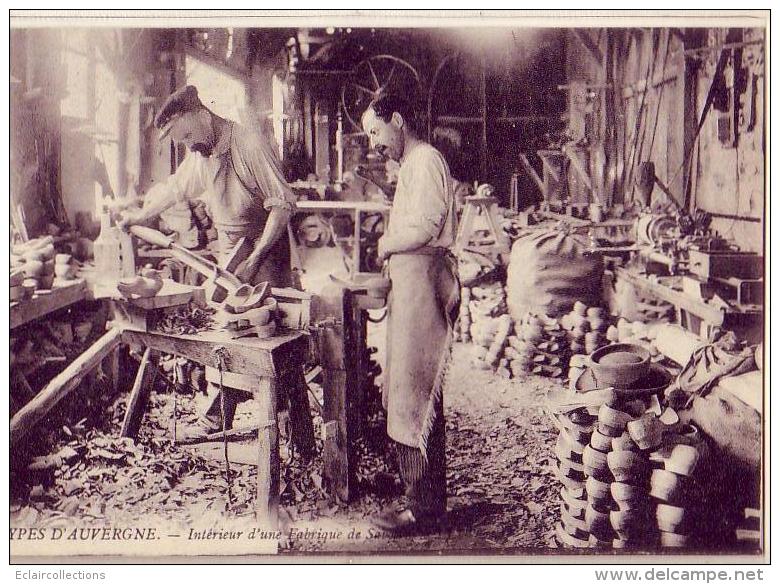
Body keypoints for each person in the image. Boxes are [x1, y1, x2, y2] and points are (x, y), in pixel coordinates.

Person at [119, 85, 314, 454]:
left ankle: (296, 433)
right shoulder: (200, 153)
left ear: (202, 115)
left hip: (265, 249)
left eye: (189, 135)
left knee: (273, 341)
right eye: (183, 141)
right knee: (231, 332)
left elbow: (284, 205)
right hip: (230, 254)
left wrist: (255, 258)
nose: (189, 145)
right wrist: (138, 216)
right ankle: (218, 416)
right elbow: (175, 189)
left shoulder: (247, 144)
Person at [361, 95, 460, 533]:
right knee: (405, 392)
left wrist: (385, 245)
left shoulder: (424, 160)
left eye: (375, 131)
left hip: (423, 281)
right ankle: (419, 494)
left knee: (415, 394)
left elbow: (424, 226)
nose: (374, 142)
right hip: (412, 280)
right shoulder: (414, 164)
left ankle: (424, 509)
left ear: (397, 120)